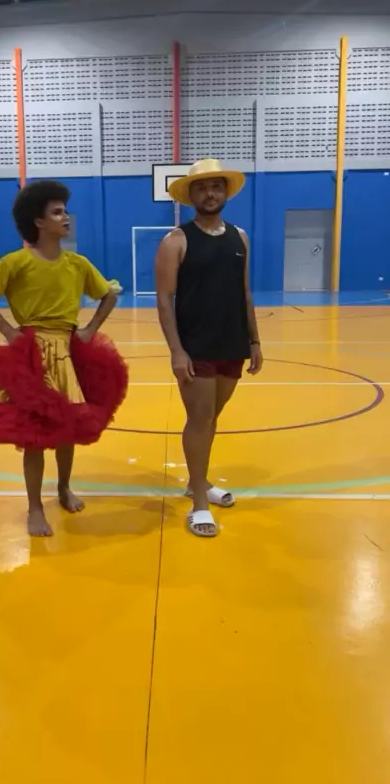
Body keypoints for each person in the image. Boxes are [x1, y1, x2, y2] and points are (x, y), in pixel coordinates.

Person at [0, 180, 119, 537]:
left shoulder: (77, 264)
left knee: (68, 428)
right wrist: (8, 330)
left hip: (69, 352)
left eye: (65, 211)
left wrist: (90, 329)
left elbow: (108, 295)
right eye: (57, 212)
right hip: (32, 355)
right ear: (38, 222)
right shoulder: (16, 262)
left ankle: (64, 488)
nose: (66, 217)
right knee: (34, 434)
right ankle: (35, 507)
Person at [155, 159, 263, 538]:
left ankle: (195, 481)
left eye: (216, 186)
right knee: (200, 419)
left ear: (225, 191)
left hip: (232, 342)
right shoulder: (175, 241)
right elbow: (164, 299)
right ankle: (199, 502)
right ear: (191, 195)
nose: (210, 193)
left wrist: (254, 340)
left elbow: (245, 292)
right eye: (201, 187)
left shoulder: (240, 238)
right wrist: (176, 350)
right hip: (195, 345)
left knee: (211, 417)